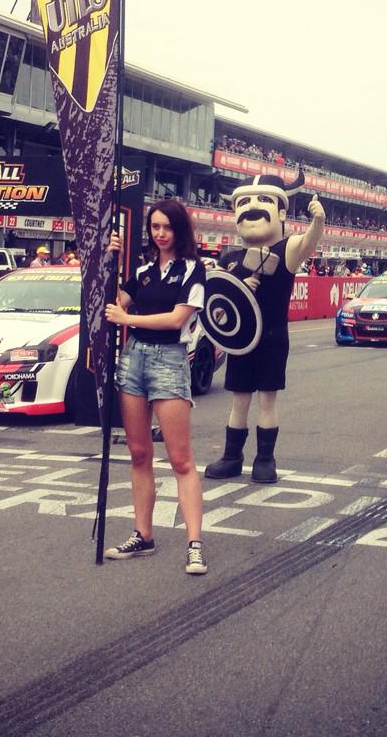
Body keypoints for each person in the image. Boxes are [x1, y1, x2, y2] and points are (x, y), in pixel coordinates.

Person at [104, 198, 208, 575]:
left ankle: (194, 544)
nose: (160, 233)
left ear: (180, 229)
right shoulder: (145, 270)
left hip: (169, 360)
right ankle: (143, 535)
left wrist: (129, 318)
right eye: (155, 227)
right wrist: (111, 261)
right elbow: (115, 302)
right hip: (133, 360)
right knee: (138, 453)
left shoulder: (195, 270)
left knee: (180, 459)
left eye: (167, 227)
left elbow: (176, 319)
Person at [204, 171, 325, 483]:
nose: (251, 207)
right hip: (240, 341)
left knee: (267, 400)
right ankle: (232, 456)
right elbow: (215, 305)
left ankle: (265, 458)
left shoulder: (287, 250)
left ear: (282, 212)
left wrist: (318, 223)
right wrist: (236, 289)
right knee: (239, 400)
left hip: (272, 338)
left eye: (263, 200)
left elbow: (309, 243)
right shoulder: (228, 258)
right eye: (243, 202)